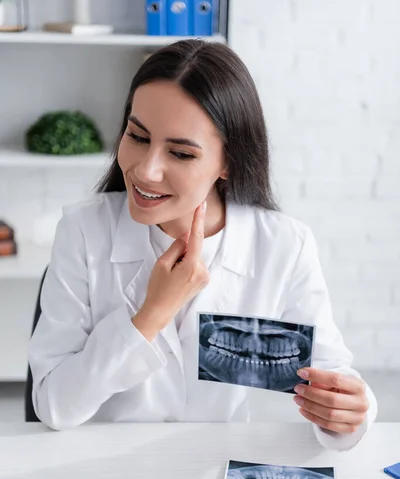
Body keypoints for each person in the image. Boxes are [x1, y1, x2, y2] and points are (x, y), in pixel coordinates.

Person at [28, 39, 376, 450]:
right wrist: (150, 315)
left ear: (229, 160)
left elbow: (333, 376)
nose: (145, 169)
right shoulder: (83, 230)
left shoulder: (284, 246)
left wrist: (352, 410)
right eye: (138, 136)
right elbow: (54, 405)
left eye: (180, 152)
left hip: (210, 475)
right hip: (99, 470)